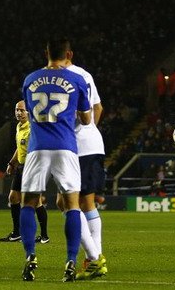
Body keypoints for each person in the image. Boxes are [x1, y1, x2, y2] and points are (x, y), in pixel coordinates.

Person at [20, 38, 91, 282]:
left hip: (38, 147)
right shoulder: (77, 79)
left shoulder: (30, 79)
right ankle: (71, 260)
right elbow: (87, 119)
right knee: (72, 205)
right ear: (69, 54)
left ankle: (30, 255)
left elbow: (30, 111)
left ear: (46, 53)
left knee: (28, 203)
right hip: (66, 147)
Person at [64, 50, 107, 280]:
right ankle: (94, 257)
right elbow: (98, 108)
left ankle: (94, 257)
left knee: (67, 202)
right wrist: (91, 130)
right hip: (93, 144)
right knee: (85, 202)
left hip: (77, 147)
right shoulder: (85, 74)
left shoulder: (63, 77)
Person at [0, 100, 49, 244]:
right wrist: (12, 162)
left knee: (35, 201)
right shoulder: (19, 127)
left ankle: (44, 236)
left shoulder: (34, 129)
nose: (19, 113)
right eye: (17, 110)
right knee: (13, 198)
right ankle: (17, 233)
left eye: (22, 110)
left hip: (33, 167)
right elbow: (19, 148)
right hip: (21, 167)